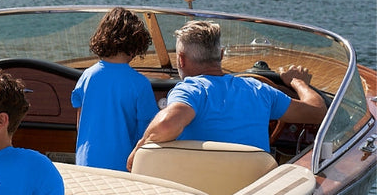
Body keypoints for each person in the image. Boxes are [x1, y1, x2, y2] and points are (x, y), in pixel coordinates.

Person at [126, 19, 326, 169]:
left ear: (180, 60)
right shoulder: (260, 90)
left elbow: (167, 124)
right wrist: (296, 82)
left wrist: (140, 147)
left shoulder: (191, 90)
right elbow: (317, 112)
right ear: (221, 55)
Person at [71, 7, 158, 171]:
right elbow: (148, 135)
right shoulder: (140, 84)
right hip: (122, 169)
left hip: (85, 164)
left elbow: (80, 124)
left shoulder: (86, 77)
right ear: (136, 44)